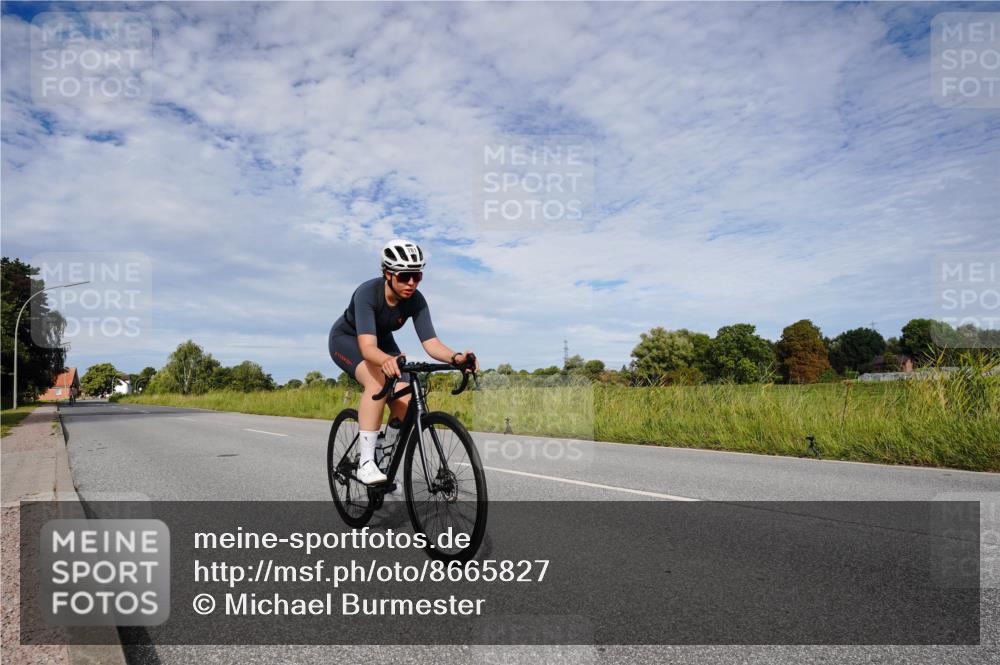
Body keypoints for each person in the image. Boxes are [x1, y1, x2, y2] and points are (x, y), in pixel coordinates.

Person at [328, 239, 479, 485]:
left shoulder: (416, 300)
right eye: (405, 276)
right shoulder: (367, 293)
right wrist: (386, 360)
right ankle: (366, 462)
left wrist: (456, 358)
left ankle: (385, 456)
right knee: (377, 381)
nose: (412, 283)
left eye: (417, 276)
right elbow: (367, 348)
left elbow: (431, 344)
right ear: (388, 274)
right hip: (348, 339)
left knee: (405, 399)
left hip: (383, 342)